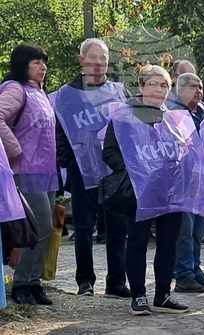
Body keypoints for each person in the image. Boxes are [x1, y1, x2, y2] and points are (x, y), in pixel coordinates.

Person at [102, 65, 204, 315]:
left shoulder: (175, 119)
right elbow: (109, 151)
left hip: (170, 191)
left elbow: (188, 152)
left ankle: (163, 295)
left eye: (164, 85)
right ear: (142, 86)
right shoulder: (124, 116)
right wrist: (135, 168)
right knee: (137, 242)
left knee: (169, 243)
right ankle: (138, 296)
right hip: (139, 191)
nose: (159, 89)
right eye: (153, 84)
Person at [51, 39, 130, 298]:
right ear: (81, 60)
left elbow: (130, 127)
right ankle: (85, 281)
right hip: (82, 170)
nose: (99, 63)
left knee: (117, 229)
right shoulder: (64, 95)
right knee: (84, 228)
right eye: (94, 58)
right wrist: (68, 164)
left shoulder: (118, 92)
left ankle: (116, 282)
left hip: (115, 171)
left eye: (104, 59)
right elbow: (59, 132)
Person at [0, 43, 57, 306]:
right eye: (36, 62)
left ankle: (33, 284)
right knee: (38, 227)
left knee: (47, 229)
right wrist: (15, 150)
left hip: (45, 171)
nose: (42, 67)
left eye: (44, 62)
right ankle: (22, 283)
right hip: (25, 170)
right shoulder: (15, 89)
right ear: (23, 64)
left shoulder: (40, 92)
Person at [168, 72, 204, 294]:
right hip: (183, 181)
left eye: (200, 86)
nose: (198, 91)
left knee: (199, 229)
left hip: (203, 179)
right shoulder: (173, 114)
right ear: (180, 90)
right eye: (193, 87)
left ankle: (196, 270)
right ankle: (183, 274)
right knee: (185, 231)